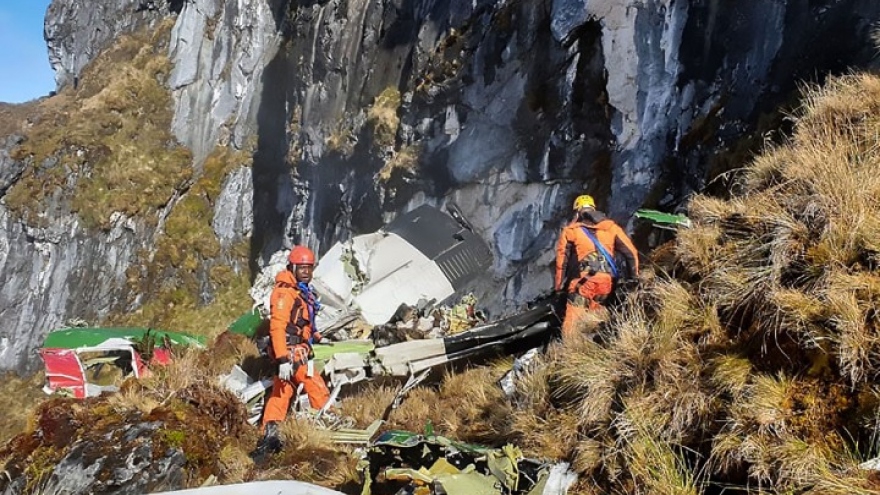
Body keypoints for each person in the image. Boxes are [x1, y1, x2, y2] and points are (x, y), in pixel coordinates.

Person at [253, 245, 331, 456]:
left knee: (281, 394)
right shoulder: (284, 294)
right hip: (291, 353)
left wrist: (316, 337)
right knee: (315, 385)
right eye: (302, 267)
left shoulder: (299, 291)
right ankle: (328, 424)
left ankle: (268, 435)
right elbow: (277, 326)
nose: (306, 271)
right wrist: (283, 359)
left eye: (309, 268)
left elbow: (302, 323)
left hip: (295, 350)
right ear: (292, 267)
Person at [554, 194, 639, 338]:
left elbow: (561, 263)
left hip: (581, 285)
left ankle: (570, 352)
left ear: (577, 211)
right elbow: (631, 253)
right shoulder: (612, 228)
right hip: (606, 285)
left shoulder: (571, 231)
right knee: (597, 324)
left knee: (571, 329)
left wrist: (559, 288)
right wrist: (634, 278)